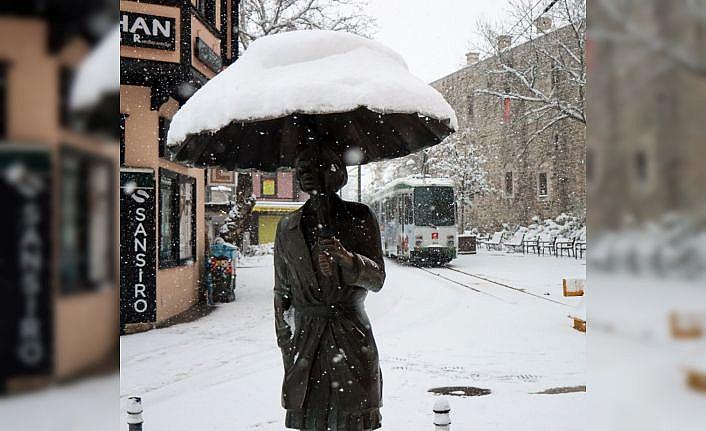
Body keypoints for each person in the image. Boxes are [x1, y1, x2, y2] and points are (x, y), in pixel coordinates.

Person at [273, 147, 385, 431]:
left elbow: (377, 279)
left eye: (316, 165)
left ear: (337, 173)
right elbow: (282, 295)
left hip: (350, 335)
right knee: (312, 420)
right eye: (301, 167)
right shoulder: (287, 227)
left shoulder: (360, 217)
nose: (306, 173)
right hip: (306, 342)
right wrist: (288, 347)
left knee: (352, 420)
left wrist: (348, 261)